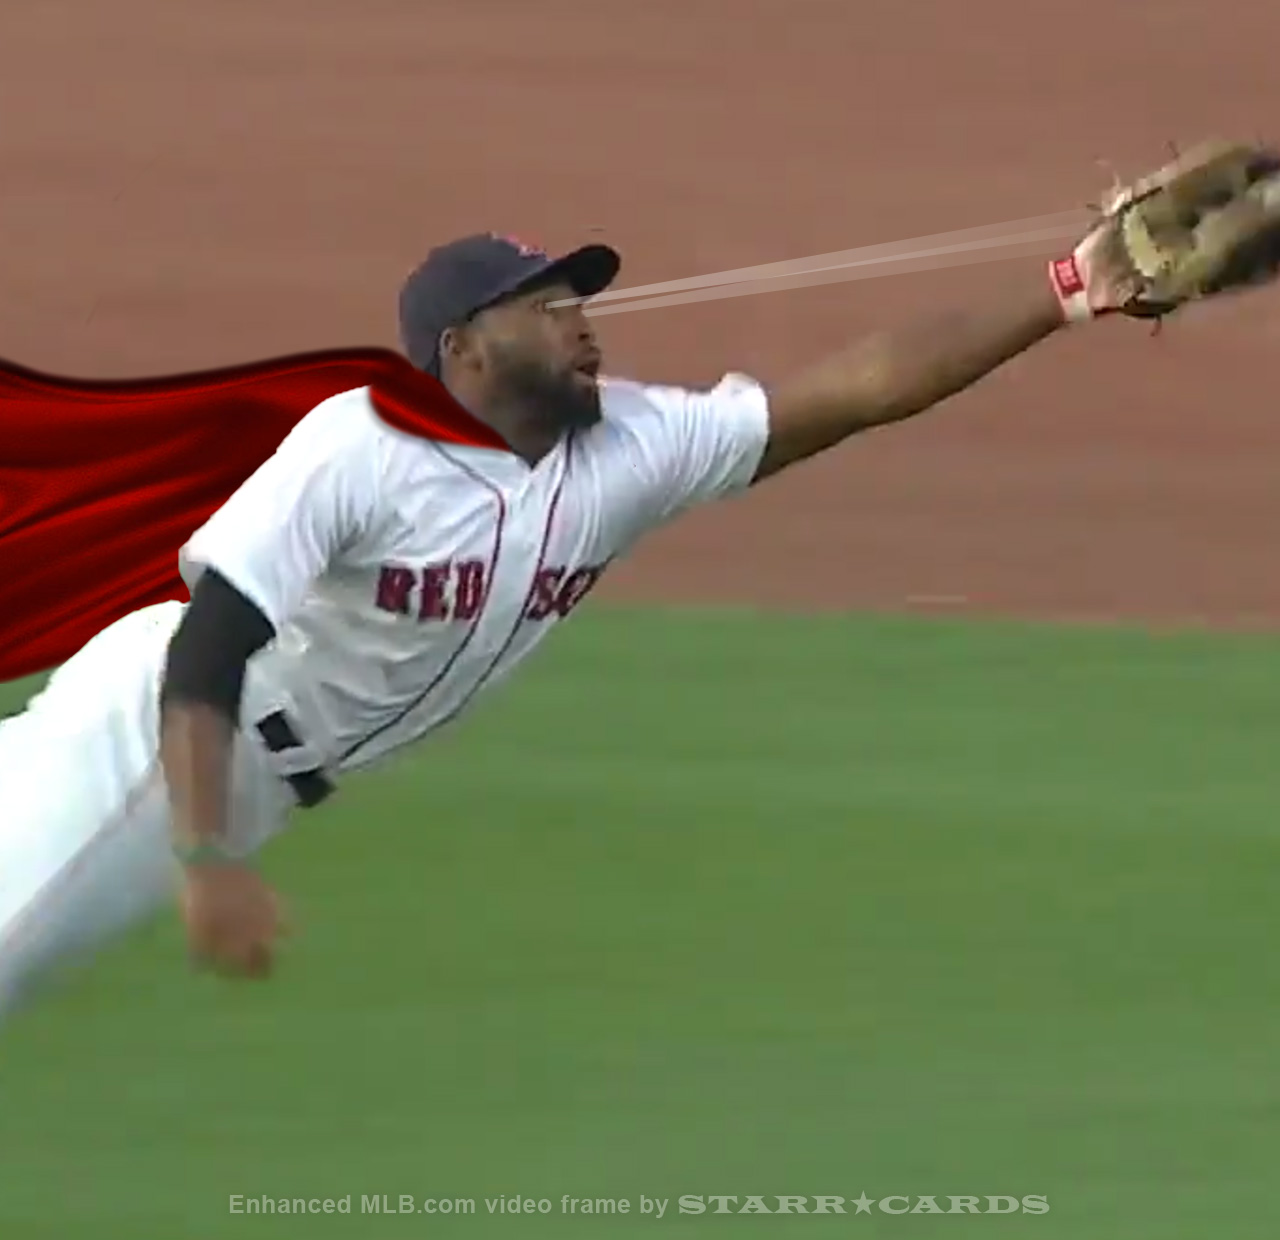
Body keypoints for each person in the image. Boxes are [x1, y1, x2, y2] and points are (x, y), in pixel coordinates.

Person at [3, 143, 1278, 1019]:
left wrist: (1065, 291)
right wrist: (203, 848)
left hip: (247, 775)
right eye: (540, 302)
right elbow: (210, 637)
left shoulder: (627, 447)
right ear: (461, 348)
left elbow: (854, 390)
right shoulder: (362, 443)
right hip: (160, 744)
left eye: (573, 296)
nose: (576, 317)